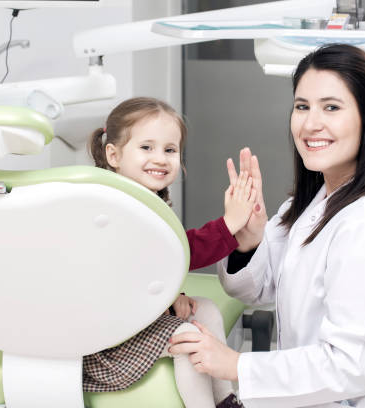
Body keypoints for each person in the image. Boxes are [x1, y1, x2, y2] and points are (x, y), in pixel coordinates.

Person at [169, 44, 365, 407]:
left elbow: (349, 367)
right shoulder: (319, 199)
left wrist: (235, 364)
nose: (311, 124)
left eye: (331, 107)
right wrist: (249, 240)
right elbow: (260, 288)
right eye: (302, 106)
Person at [84, 97, 253, 408]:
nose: (160, 158)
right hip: (106, 340)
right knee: (190, 340)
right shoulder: (115, 205)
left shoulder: (149, 200)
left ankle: (227, 401)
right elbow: (174, 252)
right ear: (114, 154)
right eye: (146, 148)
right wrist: (228, 225)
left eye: (170, 150)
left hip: (134, 318)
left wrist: (172, 291)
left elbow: (153, 261)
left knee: (207, 311)